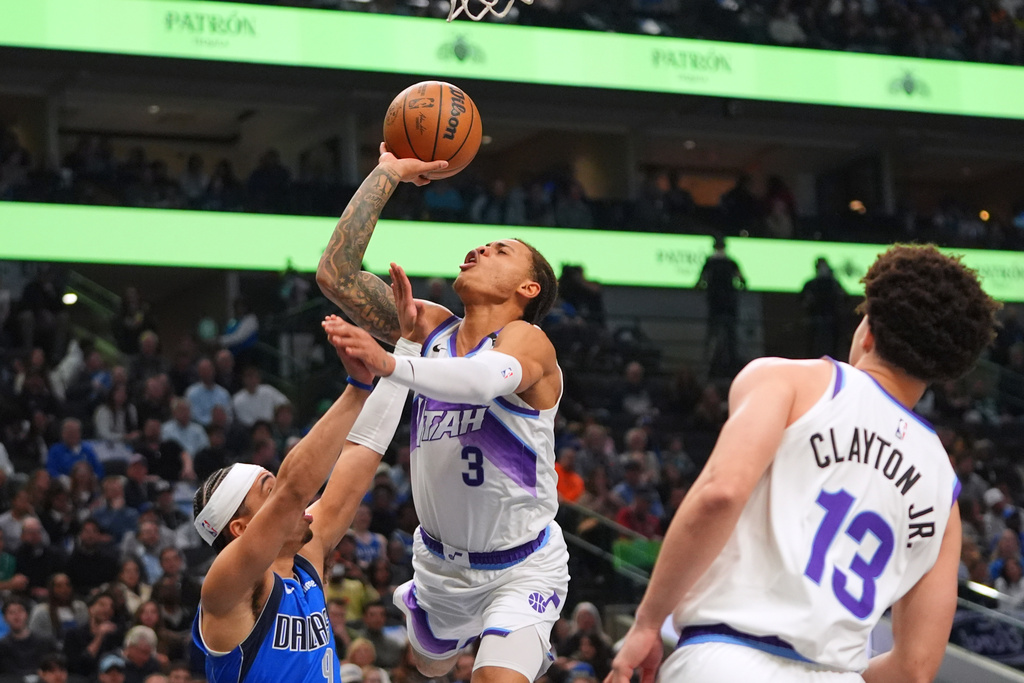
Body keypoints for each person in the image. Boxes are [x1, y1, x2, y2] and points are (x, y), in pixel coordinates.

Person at [608, 245, 1000, 682]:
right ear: (944, 369)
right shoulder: (944, 490)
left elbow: (721, 493)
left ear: (867, 331)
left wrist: (647, 621)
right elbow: (915, 668)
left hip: (728, 658)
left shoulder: (789, 380)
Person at [317, 144, 569, 683]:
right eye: (480, 244)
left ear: (529, 288)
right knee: (430, 668)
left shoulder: (529, 341)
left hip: (522, 567)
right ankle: (423, 610)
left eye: (499, 250)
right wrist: (387, 174)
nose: (478, 249)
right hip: (438, 565)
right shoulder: (430, 328)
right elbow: (335, 274)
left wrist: (390, 363)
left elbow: (480, 382)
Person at [190, 320, 414, 682]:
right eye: (268, 490)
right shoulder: (227, 586)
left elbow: (360, 451)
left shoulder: (305, 558)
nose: (295, 503)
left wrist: (405, 356)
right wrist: (356, 388)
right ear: (240, 528)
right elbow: (295, 489)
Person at [696, 235, 745, 377]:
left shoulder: (710, 263)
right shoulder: (731, 262)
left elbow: (700, 280)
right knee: (731, 334)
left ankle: (710, 363)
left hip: (715, 302)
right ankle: (732, 363)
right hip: (729, 302)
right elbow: (742, 280)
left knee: (713, 332)